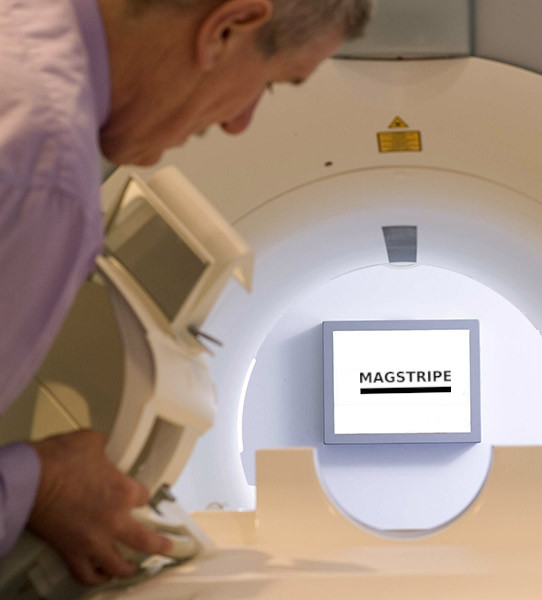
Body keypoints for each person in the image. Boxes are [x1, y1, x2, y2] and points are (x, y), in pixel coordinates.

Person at [0, 0, 371, 585]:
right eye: (271, 84)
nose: (239, 122)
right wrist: (39, 484)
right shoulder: (46, 170)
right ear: (225, 29)